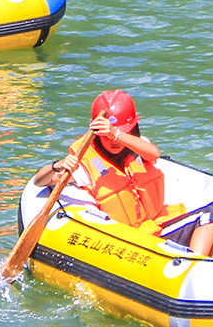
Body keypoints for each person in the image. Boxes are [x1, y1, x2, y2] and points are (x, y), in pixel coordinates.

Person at [31, 90, 168, 229]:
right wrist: (57, 165)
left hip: (158, 222)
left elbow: (154, 154)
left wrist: (115, 133)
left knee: (192, 226)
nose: (113, 141)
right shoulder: (85, 165)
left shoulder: (137, 146)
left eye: (120, 133)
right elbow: (40, 181)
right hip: (127, 237)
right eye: (105, 135)